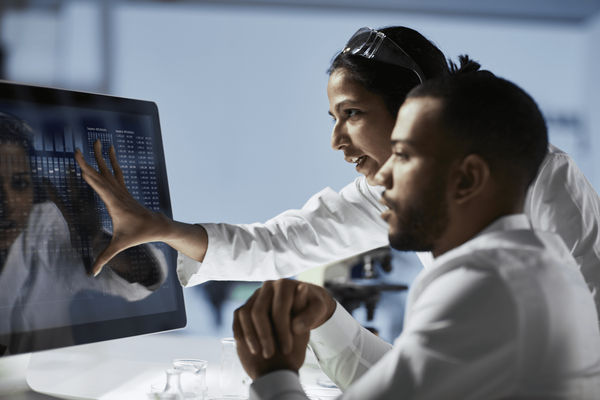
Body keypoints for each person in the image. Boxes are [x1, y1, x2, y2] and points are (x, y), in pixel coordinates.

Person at [74, 26, 600, 320]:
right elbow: (278, 243)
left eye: (352, 114)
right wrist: (161, 233)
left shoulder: (539, 177)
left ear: (416, 108)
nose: (336, 141)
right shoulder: (384, 192)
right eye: (333, 118)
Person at [232, 60, 600, 399]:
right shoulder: (537, 267)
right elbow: (407, 384)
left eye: (404, 155)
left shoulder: (485, 285)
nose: (384, 176)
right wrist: (328, 320)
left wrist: (273, 372)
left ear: (467, 178)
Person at [0, 112, 167, 355]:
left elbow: (145, 278)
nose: (8, 202)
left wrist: (97, 241)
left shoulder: (44, 228)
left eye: (20, 184)